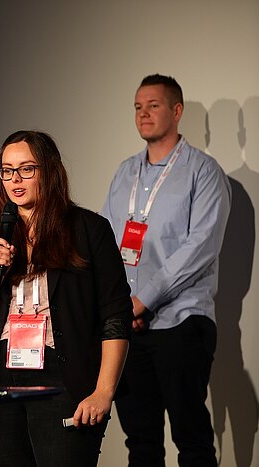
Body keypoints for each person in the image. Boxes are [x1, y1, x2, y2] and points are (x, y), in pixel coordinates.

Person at [0, 130, 132, 466]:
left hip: (62, 378)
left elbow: (115, 316)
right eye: (7, 170)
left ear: (49, 171)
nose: (15, 179)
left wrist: (103, 392)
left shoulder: (88, 229)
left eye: (26, 169)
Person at [101, 74, 231, 467]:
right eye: (137, 107)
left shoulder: (203, 171)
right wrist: (122, 306)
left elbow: (200, 248)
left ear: (177, 111)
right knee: (140, 444)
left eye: (153, 105)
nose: (143, 114)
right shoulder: (125, 172)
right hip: (129, 327)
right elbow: (106, 243)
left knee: (191, 440)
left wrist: (143, 300)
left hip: (181, 322)